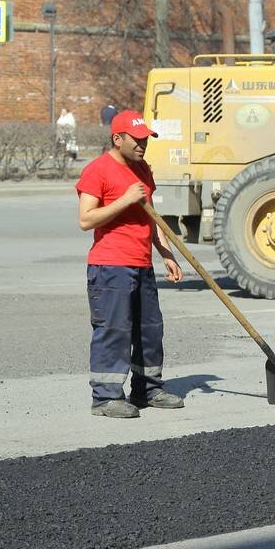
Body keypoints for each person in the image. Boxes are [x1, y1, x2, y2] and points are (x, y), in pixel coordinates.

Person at [75, 110, 185, 419]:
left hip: (142, 264)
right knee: (114, 331)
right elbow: (86, 219)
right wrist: (123, 200)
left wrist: (165, 252)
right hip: (110, 267)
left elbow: (151, 217)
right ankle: (106, 398)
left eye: (146, 139)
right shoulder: (97, 170)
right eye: (136, 140)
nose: (142, 145)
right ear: (117, 138)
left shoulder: (143, 170)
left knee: (150, 329)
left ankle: (148, 390)